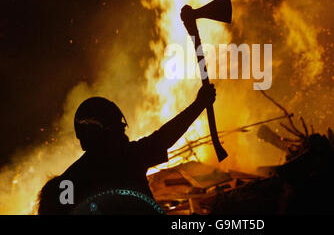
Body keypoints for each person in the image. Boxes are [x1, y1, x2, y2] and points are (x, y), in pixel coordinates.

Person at [38, 84, 216, 215]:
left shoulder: (67, 183)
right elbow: (163, 138)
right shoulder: (127, 159)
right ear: (105, 134)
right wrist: (199, 104)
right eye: (120, 130)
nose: (125, 135)